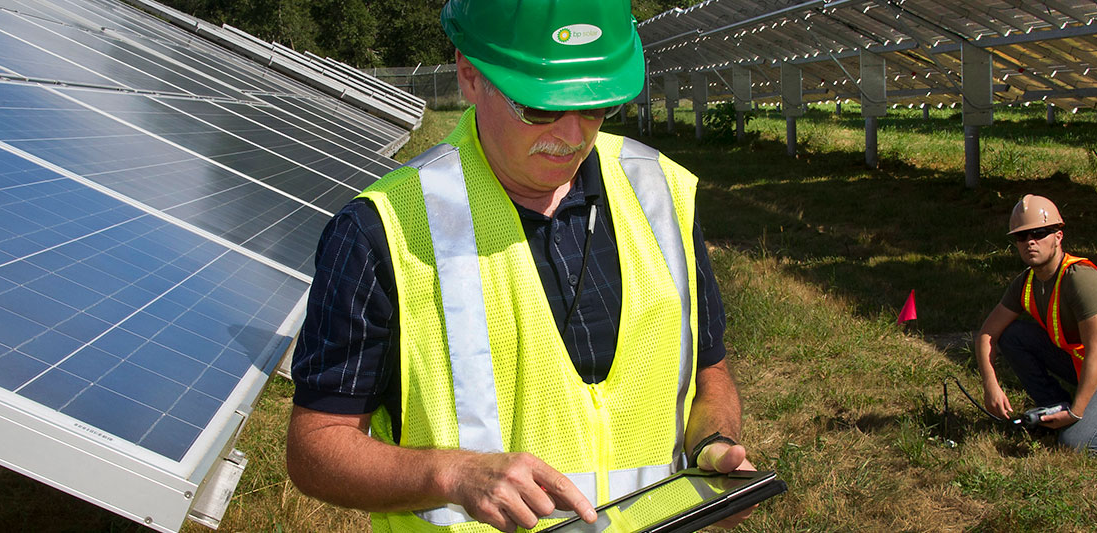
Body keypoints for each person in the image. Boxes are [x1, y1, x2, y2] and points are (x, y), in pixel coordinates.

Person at [284, 1, 753, 531]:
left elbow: (708, 370)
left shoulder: (661, 193)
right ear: (470, 75)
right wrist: (453, 475)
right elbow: (316, 448)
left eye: (597, 106)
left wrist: (714, 443)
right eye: (541, 108)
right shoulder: (381, 232)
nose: (573, 136)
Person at [974, 194, 1097, 452]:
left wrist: (1077, 412)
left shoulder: (1080, 280)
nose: (1030, 242)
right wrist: (990, 385)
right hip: (1084, 359)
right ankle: (1055, 409)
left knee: (1076, 444)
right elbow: (987, 334)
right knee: (1012, 335)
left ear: (1058, 236)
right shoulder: (1026, 282)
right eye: (1021, 236)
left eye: (1039, 233)